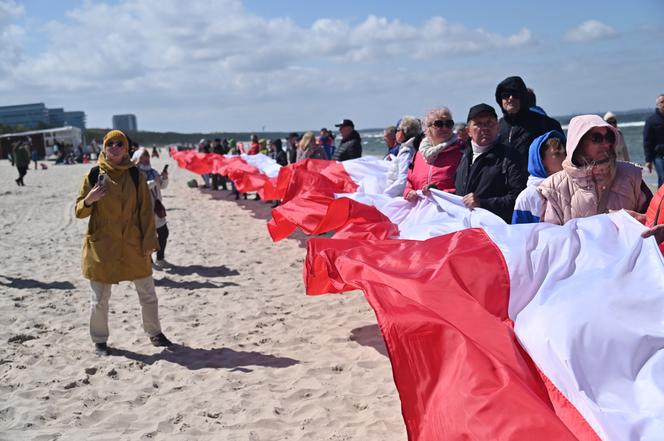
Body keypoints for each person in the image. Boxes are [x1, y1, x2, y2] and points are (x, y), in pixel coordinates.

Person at [75, 130, 173, 356]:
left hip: (133, 243)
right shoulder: (93, 174)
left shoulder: (136, 176)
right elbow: (78, 211)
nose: (115, 147)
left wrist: (150, 241)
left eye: (120, 143)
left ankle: (155, 333)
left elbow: (145, 212)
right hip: (102, 245)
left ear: (127, 148)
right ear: (104, 147)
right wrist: (90, 200)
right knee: (99, 298)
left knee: (147, 292)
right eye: (110, 143)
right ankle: (99, 340)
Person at [539, 114, 650, 225]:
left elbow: (655, 221)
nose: (606, 144)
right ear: (578, 142)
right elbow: (552, 237)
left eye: (609, 137)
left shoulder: (632, 175)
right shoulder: (553, 187)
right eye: (597, 138)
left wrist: (635, 219)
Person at [454, 103, 527, 223]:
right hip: (465, 229)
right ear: (468, 131)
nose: (485, 128)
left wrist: (482, 203)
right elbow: (458, 193)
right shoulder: (462, 156)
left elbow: (519, 199)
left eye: (489, 123)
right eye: (478, 124)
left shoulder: (511, 157)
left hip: (496, 230)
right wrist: (434, 192)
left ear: (498, 127)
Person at [495, 76, 563, 167]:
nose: (510, 98)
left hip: (536, 180)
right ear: (500, 99)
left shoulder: (546, 124)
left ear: (523, 97)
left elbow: (561, 155)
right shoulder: (496, 127)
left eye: (515, 94)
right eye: (506, 95)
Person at [404, 108, 463, 201]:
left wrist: (438, 192)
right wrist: (408, 192)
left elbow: (464, 187)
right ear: (428, 128)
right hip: (420, 208)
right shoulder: (418, 154)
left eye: (449, 124)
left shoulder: (461, 152)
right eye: (439, 124)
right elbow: (409, 181)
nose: (445, 128)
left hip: (448, 208)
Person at [511, 131, 566, 224]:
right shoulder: (528, 197)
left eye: (566, 153)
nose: (564, 158)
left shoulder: (573, 188)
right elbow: (518, 234)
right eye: (557, 154)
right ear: (540, 160)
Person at [132, 147, 170, 267]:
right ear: (138, 159)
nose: (146, 160)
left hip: (156, 209)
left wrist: (164, 178)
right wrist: (154, 181)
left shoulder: (153, 171)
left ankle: (160, 258)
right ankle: (149, 261)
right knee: (147, 237)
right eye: (143, 158)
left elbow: (162, 186)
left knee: (163, 232)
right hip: (143, 210)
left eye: (147, 157)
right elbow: (140, 188)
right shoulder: (135, 173)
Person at [383, 116, 422, 197]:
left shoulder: (406, 152)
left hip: (398, 196)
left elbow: (403, 180)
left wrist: (386, 195)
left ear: (404, 131)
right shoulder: (410, 148)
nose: (396, 133)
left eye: (398, 130)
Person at [644, 94, 664, 187]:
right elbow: (647, 141)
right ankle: (661, 199)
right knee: (663, 177)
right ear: (657, 104)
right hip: (658, 155)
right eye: (662, 102)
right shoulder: (651, 121)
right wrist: (648, 160)